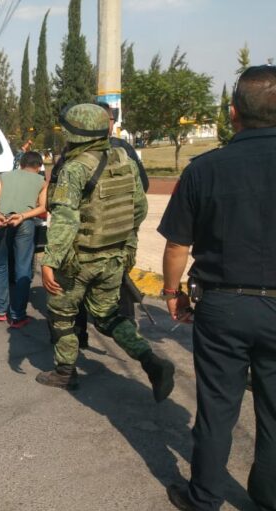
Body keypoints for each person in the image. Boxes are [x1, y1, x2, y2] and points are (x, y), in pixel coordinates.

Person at [158, 65, 276, 511]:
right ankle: (269, 510)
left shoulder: (205, 168)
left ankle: (205, 501)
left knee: (217, 406)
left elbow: (175, 247)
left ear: (232, 113)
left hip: (223, 305)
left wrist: (171, 293)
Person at [37, 103, 174, 400]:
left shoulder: (74, 168)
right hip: (114, 258)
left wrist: (49, 261)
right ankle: (151, 361)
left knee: (62, 313)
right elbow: (139, 208)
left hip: (78, 260)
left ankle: (64, 373)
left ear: (75, 134)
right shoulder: (124, 158)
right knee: (108, 315)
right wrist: (127, 246)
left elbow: (65, 218)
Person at [70, 102, 149, 348]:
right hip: (118, 239)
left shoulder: (74, 155)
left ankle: (77, 341)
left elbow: (60, 202)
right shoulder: (124, 152)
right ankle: (128, 333)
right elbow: (141, 195)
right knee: (116, 285)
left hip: (85, 243)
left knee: (73, 296)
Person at [0, 150, 48, 329]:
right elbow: (43, 207)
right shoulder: (41, 181)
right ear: (38, 167)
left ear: (20, 164)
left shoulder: (6, 176)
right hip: (24, 223)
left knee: (0, 265)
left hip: (0, 221)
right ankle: (17, 316)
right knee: (22, 267)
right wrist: (22, 216)